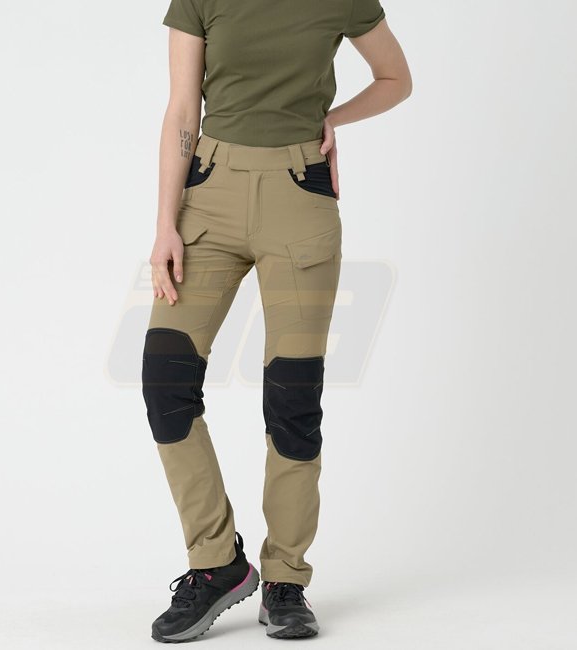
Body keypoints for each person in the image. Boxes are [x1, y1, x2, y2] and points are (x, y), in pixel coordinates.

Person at [141, 0, 412, 642]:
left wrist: (331, 120)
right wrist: (164, 225)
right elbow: (182, 109)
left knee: (293, 396)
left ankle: (286, 578)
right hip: (209, 196)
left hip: (300, 196)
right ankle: (216, 564)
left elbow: (396, 79)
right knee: (165, 379)